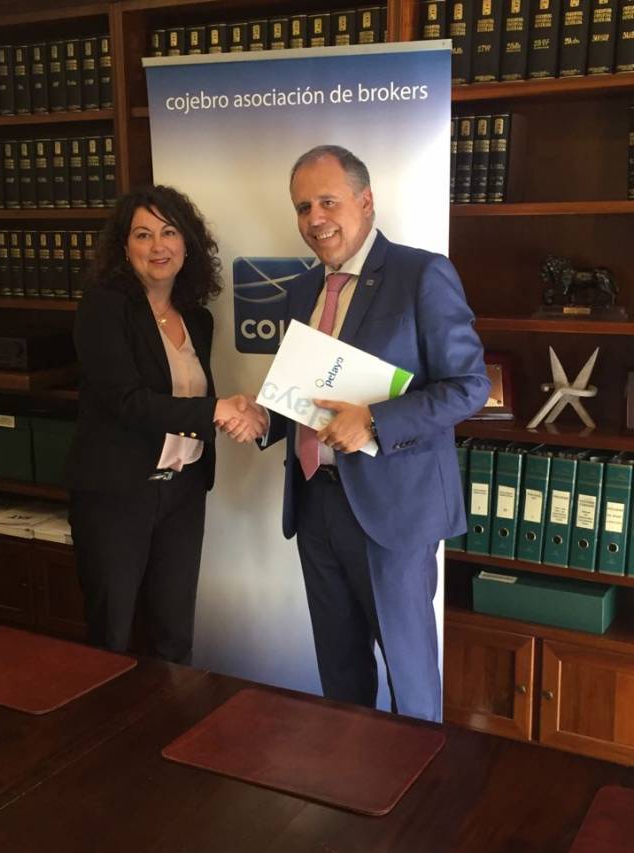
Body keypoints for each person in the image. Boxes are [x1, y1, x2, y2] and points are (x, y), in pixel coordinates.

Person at [228, 146, 489, 721]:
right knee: (340, 673)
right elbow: (306, 394)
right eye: (303, 207)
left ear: (366, 201)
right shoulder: (301, 290)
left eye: (328, 201)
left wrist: (374, 420)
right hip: (315, 504)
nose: (315, 218)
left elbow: (470, 386)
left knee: (409, 680)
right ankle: (351, 771)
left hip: (393, 512)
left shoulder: (421, 274)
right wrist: (264, 418)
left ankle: (420, 778)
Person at [66, 185, 265, 662]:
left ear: (187, 243)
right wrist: (217, 410)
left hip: (182, 491)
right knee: (112, 634)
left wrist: (243, 412)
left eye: (169, 232)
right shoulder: (103, 307)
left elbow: (188, 397)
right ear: (124, 247)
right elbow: (128, 402)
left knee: (174, 634)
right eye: (143, 234)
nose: (158, 246)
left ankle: (168, 712)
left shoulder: (196, 318)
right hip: (117, 495)